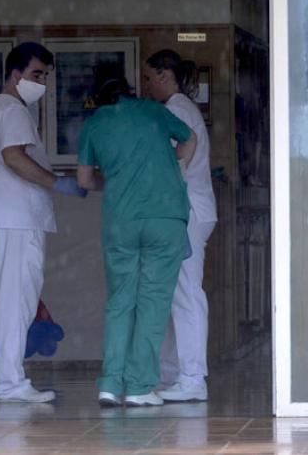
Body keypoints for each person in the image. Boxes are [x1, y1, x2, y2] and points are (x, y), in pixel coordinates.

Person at [0, 42, 88, 404]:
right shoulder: (14, 111)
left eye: (45, 76)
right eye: (36, 74)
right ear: (15, 74)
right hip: (17, 220)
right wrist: (57, 183)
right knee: (15, 301)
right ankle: (10, 383)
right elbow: (13, 157)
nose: (42, 83)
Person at [76, 69, 196, 407]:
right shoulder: (153, 110)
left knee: (120, 301)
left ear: (98, 97)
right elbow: (190, 138)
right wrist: (174, 167)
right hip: (165, 216)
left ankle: (110, 383)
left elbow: (84, 180)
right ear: (129, 90)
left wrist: (117, 180)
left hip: (121, 220)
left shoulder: (94, 124)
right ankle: (140, 386)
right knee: (153, 302)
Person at [143, 50, 216, 403]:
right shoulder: (180, 108)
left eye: (149, 78)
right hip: (185, 210)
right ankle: (173, 373)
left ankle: (192, 378)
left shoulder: (177, 110)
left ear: (163, 75)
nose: (147, 86)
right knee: (175, 294)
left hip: (186, 212)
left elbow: (175, 157)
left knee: (186, 294)